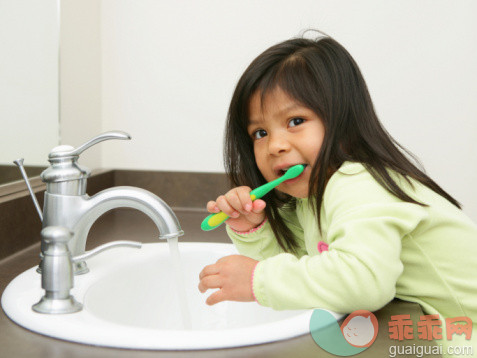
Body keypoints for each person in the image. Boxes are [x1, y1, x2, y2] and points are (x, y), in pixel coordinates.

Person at [198, 32, 477, 349]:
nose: (275, 145)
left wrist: (257, 279)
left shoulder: (358, 183)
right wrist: (256, 229)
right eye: (260, 132)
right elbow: (311, 276)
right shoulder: (312, 197)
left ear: (343, 122)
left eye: (296, 120)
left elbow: (362, 282)